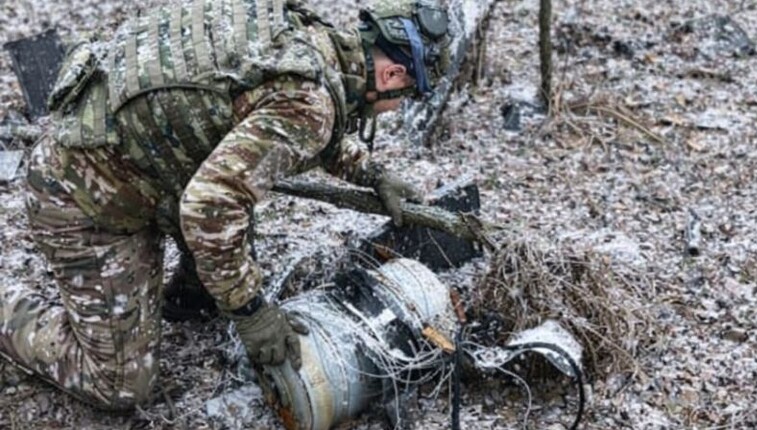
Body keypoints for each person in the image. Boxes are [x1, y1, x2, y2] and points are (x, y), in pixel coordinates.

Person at [0, 0, 451, 410]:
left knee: (233, 208)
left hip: (127, 159)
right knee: (119, 384)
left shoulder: (311, 41)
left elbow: (278, 125)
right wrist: (253, 314)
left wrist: (371, 175)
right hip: (82, 201)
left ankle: (189, 296)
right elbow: (208, 206)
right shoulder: (311, 103)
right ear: (393, 78)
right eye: (407, 97)